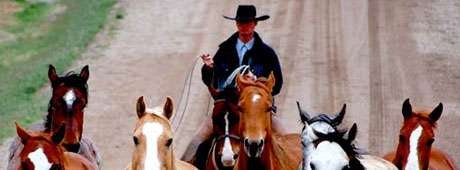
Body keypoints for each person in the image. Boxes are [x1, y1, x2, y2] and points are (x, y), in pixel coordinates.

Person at [182, 5, 284, 167]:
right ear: (236, 24)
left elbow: (277, 85)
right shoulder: (224, 50)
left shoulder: (267, 53)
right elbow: (213, 82)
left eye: (248, 23)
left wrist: (257, 81)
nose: (244, 27)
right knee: (194, 145)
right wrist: (208, 68)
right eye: (241, 23)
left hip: (257, 113)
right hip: (225, 111)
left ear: (255, 24)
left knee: (291, 144)